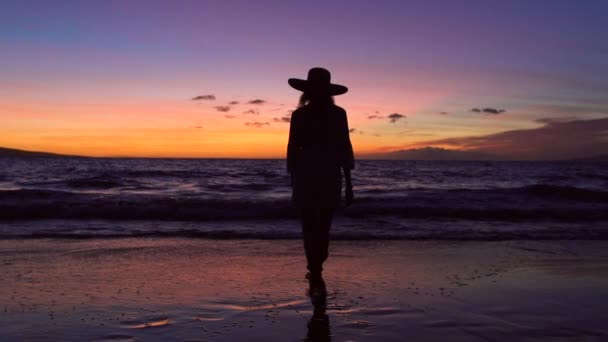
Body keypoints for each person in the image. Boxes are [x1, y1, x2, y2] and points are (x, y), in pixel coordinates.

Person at [287, 67, 355, 290]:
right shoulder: (337, 114)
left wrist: (293, 177)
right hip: (326, 173)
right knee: (321, 226)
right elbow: (344, 148)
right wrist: (348, 183)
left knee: (311, 226)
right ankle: (316, 268)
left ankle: (314, 268)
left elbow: (293, 149)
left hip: (309, 173)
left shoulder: (301, 115)